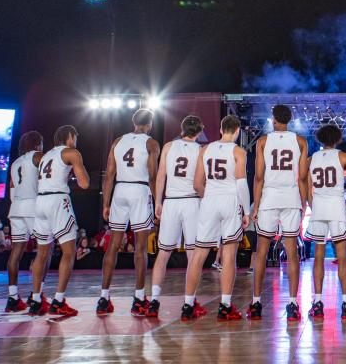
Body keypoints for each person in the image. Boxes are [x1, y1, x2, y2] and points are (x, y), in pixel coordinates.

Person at [182, 116, 250, 321]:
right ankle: (225, 306)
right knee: (229, 255)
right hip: (229, 200)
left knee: (198, 256)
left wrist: (209, 198)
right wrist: (246, 211)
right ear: (237, 131)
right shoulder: (238, 151)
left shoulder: (205, 149)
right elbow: (240, 184)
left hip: (210, 200)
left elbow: (196, 184)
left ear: (220, 129)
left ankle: (187, 305)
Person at [249, 104, 309, 321]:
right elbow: (302, 178)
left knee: (262, 250)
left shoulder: (263, 141)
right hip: (291, 197)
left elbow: (258, 177)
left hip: (269, 198)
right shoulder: (300, 141)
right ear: (290, 120)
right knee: (291, 251)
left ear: (273, 119)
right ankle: (292, 304)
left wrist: (256, 206)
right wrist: (303, 204)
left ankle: (256, 303)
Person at [98, 109, 160, 316]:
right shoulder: (151, 143)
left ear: (134, 122)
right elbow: (153, 177)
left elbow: (109, 175)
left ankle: (103, 297)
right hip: (140, 190)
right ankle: (139, 298)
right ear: (149, 124)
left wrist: (105, 203)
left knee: (113, 246)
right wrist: (159, 202)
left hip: (120, 190)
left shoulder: (117, 141)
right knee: (140, 248)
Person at [149, 115, 208, 320]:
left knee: (163, 253)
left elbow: (160, 176)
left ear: (182, 129)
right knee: (193, 255)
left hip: (171, 201)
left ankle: (154, 300)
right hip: (191, 201)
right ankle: (188, 303)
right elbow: (201, 182)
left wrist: (158, 201)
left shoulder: (168, 146)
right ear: (199, 132)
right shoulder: (201, 150)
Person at [28, 124, 90, 316]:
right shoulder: (71, 152)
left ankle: (36, 300)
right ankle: (58, 301)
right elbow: (85, 183)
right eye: (75, 137)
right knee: (69, 252)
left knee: (42, 253)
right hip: (57, 200)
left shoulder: (45, 156)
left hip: (40, 201)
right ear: (70, 136)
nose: (76, 140)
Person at [305, 124, 346, 320]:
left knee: (318, 256)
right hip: (336, 207)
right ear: (338, 139)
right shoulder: (344, 157)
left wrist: (313, 205)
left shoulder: (311, 159)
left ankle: (317, 303)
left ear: (320, 139)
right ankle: (345, 303)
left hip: (319, 207)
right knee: (342, 256)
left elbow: (307, 186)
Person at [6, 130, 46, 311]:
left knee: (16, 253)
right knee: (45, 248)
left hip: (16, 207)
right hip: (33, 205)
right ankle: (37, 295)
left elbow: (12, 189)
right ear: (38, 144)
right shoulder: (38, 156)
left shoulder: (15, 163)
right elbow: (49, 175)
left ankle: (13, 297)